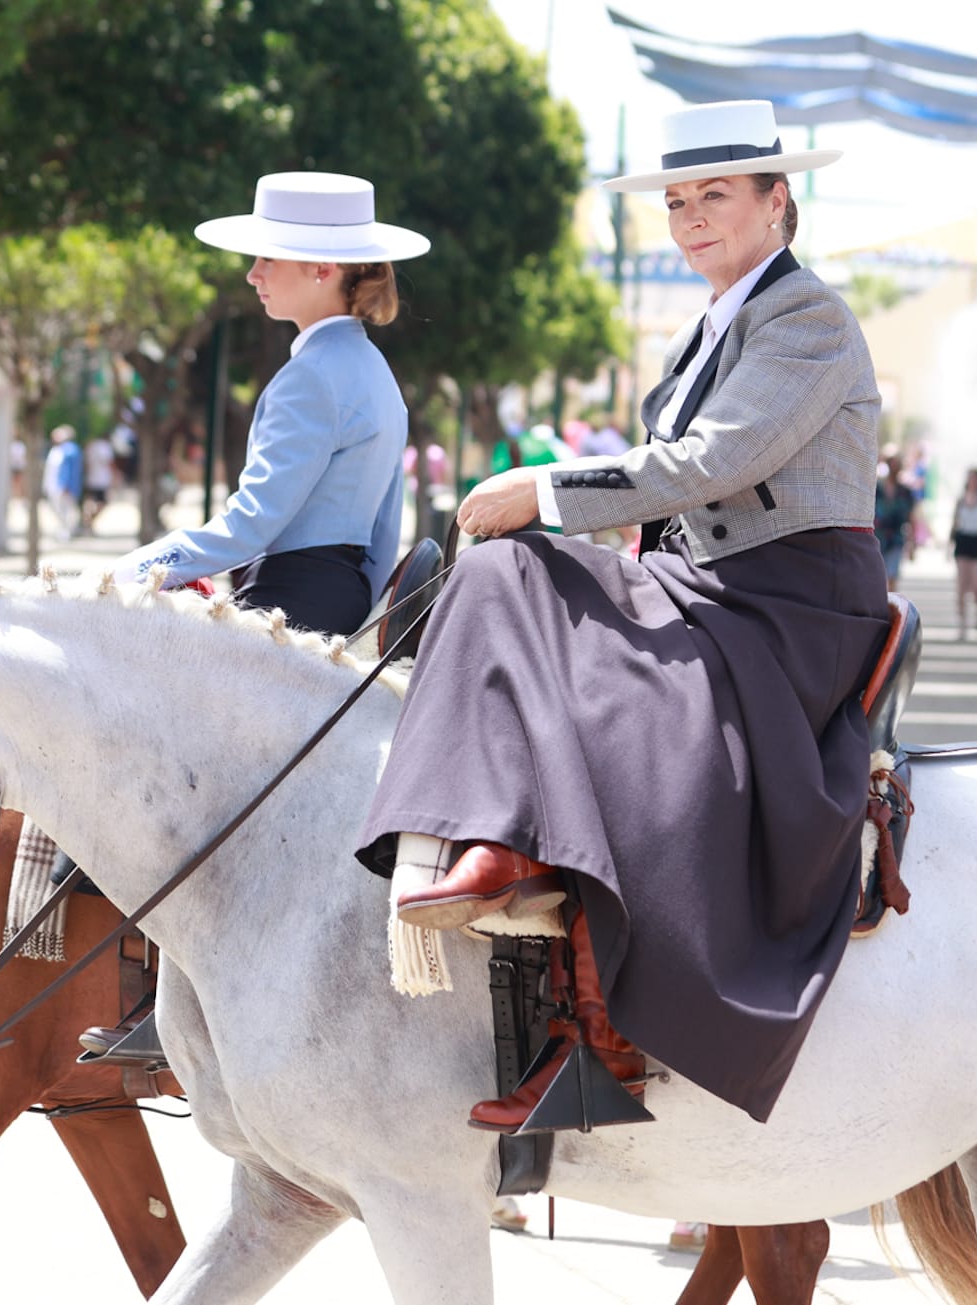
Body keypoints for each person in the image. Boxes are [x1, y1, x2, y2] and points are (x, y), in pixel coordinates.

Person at [357, 100, 888, 1134]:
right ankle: (483, 856)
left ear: (778, 201)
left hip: (787, 607)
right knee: (504, 580)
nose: (689, 219)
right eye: (676, 202)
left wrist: (543, 489)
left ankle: (600, 1032)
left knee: (521, 573)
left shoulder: (805, 318)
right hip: (707, 588)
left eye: (715, 197)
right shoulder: (714, 322)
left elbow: (712, 463)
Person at [116, 171, 428, 637]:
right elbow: (384, 532)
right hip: (342, 600)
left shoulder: (312, 376)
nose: (252, 273)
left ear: (322, 268)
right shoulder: (375, 370)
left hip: (289, 600)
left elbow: (249, 526)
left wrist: (133, 569)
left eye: (267, 257)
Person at [949, 467, 977, 639]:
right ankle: (962, 623)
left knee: (976, 584)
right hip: (963, 540)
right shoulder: (960, 501)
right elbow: (954, 522)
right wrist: (949, 544)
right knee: (961, 585)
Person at [874, 446, 919, 590]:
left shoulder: (905, 492)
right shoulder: (876, 489)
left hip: (896, 539)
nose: (893, 467)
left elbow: (911, 518)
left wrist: (912, 543)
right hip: (877, 537)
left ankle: (891, 609)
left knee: (892, 576)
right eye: (891, 463)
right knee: (877, 577)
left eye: (896, 464)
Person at [43, 426, 83, 538]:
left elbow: (71, 470)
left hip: (64, 487)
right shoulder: (56, 450)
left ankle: (68, 531)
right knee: (57, 508)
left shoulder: (71, 450)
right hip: (54, 486)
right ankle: (64, 529)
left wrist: (66, 485)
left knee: (67, 510)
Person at [82, 433, 117, 530]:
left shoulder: (91, 446)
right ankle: (89, 520)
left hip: (91, 478)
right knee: (102, 502)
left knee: (91, 501)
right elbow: (109, 462)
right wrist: (115, 476)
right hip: (101, 480)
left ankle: (88, 520)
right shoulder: (104, 447)